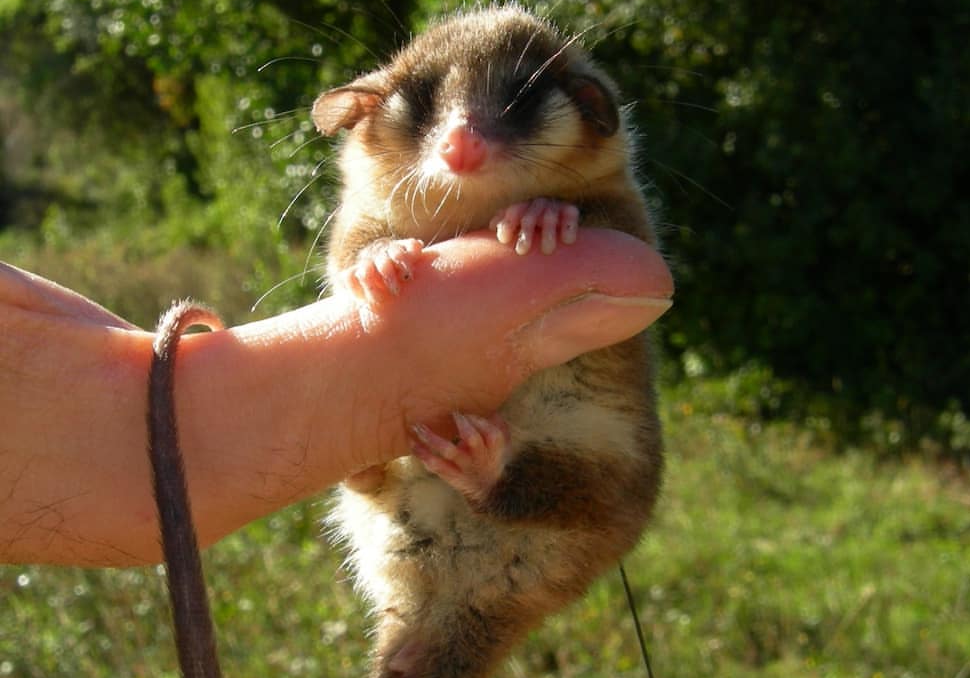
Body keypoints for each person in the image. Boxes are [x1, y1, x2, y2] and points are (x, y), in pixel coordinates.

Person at [0, 230, 672, 568]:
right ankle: (366, 460)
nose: (466, 147)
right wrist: (373, 252)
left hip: (527, 517)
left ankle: (366, 452)